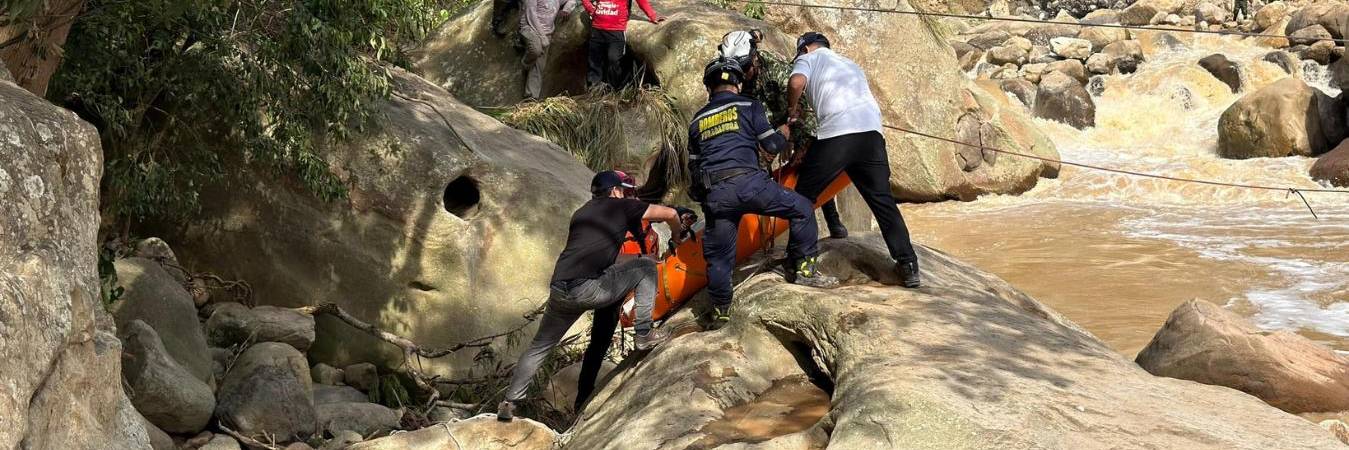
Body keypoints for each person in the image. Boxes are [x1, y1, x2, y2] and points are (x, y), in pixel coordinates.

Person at [498, 170, 690, 421]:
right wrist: (677, 235)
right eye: (623, 189)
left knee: (539, 346)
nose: (626, 193)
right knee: (645, 270)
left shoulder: (582, 213)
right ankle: (644, 333)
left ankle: (509, 403)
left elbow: (604, 256)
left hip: (560, 288)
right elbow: (671, 214)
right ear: (614, 191)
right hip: (588, 287)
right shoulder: (621, 207)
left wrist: (640, 257)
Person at [689, 57, 839, 330]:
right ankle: (804, 270)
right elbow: (770, 143)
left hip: (717, 193)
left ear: (709, 87)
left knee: (720, 257)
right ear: (737, 82)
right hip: (749, 183)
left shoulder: (697, 121)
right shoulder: (749, 105)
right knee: (801, 208)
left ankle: (721, 310)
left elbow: (694, 169)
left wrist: (707, 203)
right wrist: (786, 130)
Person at [786, 32, 921, 288]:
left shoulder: (809, 58)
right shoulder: (850, 63)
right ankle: (908, 265)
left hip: (838, 134)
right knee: (882, 201)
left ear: (805, 49)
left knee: (802, 197)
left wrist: (792, 110)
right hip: (871, 135)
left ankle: (801, 264)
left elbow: (795, 84)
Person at [717, 30, 849, 240]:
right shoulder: (732, 75)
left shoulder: (777, 72)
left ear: (754, 58)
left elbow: (803, 110)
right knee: (754, 171)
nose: (743, 74)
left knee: (807, 171)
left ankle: (830, 220)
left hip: (790, 117)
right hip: (762, 127)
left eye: (745, 68)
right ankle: (755, 230)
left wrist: (800, 143)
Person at [580, 0, 664, 90]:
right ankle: (593, 90)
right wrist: (591, 9)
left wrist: (652, 16)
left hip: (616, 30)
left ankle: (615, 91)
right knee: (595, 61)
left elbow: (641, 1)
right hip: (597, 29)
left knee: (615, 60)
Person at [520, 0, 577, 100]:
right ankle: (526, 64)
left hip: (547, 33)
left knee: (539, 66)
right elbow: (530, 15)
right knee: (536, 49)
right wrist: (542, 36)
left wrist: (567, 8)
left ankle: (531, 97)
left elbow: (573, 0)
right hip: (530, 28)